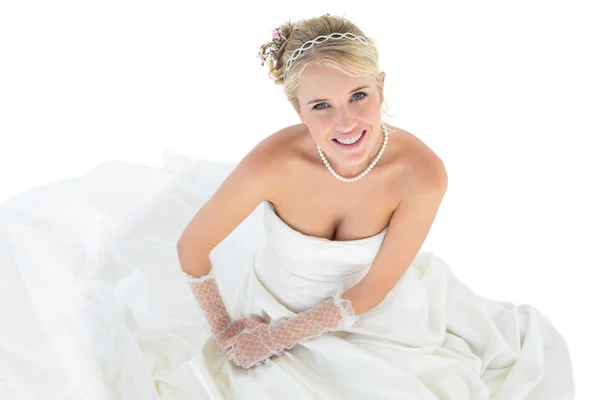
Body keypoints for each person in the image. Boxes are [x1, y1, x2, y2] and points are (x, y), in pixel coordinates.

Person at [0, 13, 575, 400]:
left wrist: (276, 340)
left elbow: (372, 290)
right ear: (297, 108)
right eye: (320, 106)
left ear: (380, 85)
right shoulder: (275, 163)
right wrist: (229, 330)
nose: (344, 122)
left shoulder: (421, 174)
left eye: (358, 96)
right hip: (271, 301)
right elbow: (192, 247)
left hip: (373, 312)